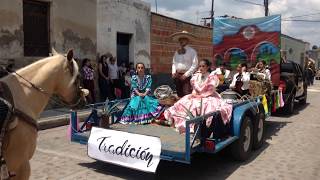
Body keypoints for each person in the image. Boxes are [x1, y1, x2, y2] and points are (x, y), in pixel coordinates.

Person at [164, 59, 233, 134]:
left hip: (208, 96)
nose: (201, 68)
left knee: (204, 106)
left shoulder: (212, 77)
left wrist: (200, 95)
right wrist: (194, 94)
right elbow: (194, 89)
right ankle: (178, 121)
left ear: (207, 67)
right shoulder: (196, 76)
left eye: (203, 66)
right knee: (184, 102)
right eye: (200, 66)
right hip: (197, 96)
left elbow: (209, 91)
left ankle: (201, 126)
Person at [171, 30, 199, 97]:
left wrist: (186, 75)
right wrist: (173, 72)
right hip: (177, 75)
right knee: (179, 92)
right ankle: (180, 107)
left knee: (187, 93)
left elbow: (195, 65)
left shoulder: (192, 51)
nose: (181, 41)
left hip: (187, 76)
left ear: (187, 40)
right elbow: (174, 63)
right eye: (180, 39)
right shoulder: (177, 51)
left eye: (183, 39)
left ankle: (187, 107)